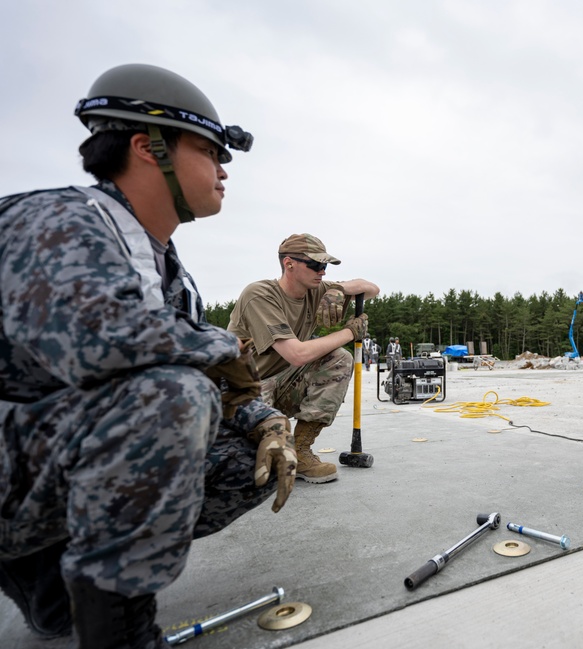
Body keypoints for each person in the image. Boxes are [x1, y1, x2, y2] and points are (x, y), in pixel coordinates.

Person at [0, 63, 296, 646]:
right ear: (145, 145)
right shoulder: (57, 220)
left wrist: (266, 420)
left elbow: (194, 363)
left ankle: (51, 578)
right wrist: (220, 348)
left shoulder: (165, 270)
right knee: (172, 398)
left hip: (43, 460)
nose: (223, 170)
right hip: (16, 460)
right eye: (212, 150)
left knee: (247, 464)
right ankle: (123, 632)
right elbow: (97, 341)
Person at [228, 234, 378, 484]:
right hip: (242, 391)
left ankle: (300, 450)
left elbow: (371, 288)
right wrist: (350, 332)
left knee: (339, 358)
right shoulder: (260, 295)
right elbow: (296, 355)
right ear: (289, 264)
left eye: (325, 266)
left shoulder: (316, 290)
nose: (322, 272)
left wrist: (339, 290)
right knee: (250, 471)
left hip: (280, 384)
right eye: (316, 265)